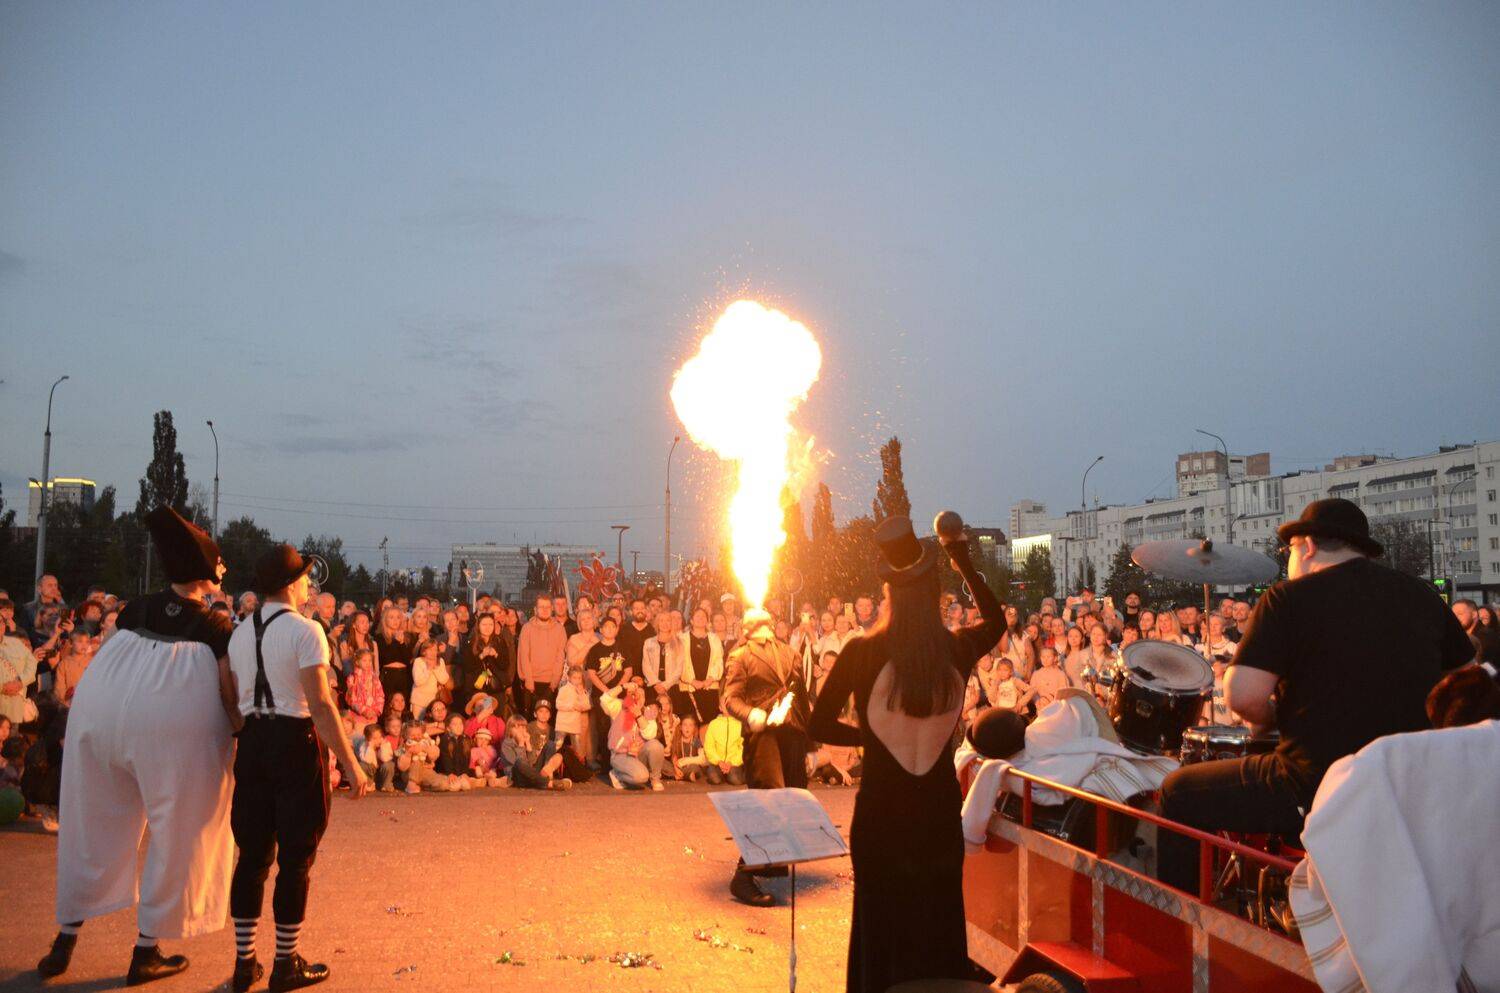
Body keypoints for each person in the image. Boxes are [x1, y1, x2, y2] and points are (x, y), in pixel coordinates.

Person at [1157, 499, 1474, 893]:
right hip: (1410, 784)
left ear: (1306, 546)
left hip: (1316, 785)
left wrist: (1270, 717)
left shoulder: (1287, 598)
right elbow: (1467, 679)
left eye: (1288, 551)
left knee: (1178, 792)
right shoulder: (1421, 595)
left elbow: (1241, 696)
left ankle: (1178, 923)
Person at [40, 508, 243, 986]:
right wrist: (242, 731)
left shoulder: (135, 609)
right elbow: (227, 691)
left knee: (92, 821)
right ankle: (146, 951)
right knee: (183, 829)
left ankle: (64, 941)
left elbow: (112, 655)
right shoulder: (215, 626)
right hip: (170, 731)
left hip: (102, 716)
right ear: (205, 573)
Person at [809, 514, 1004, 993]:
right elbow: (997, 621)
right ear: (931, 592)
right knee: (938, 932)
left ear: (890, 593)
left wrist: (870, 738)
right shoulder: (957, 649)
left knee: (880, 934)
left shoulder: (860, 652)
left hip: (881, 820)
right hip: (938, 818)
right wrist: (959, 555)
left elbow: (817, 724)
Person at [227, 544, 369, 992]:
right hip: (294, 742)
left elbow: (232, 697)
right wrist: (351, 764)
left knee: (252, 857)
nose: (309, 583)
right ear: (291, 585)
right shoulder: (307, 631)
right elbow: (321, 704)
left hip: (253, 741)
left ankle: (244, 963)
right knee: (295, 858)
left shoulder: (238, 633)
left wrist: (246, 735)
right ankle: (285, 963)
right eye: (305, 577)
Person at [721, 604, 813, 907]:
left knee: (792, 799)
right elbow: (730, 698)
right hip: (763, 738)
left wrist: (810, 745)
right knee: (770, 800)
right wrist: (750, 714)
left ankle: (770, 863)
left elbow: (800, 696)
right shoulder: (740, 656)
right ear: (744, 628)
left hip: (792, 734)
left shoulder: (790, 652)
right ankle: (744, 876)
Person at [517, 595, 566, 714]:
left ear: (552, 609)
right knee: (530, 719)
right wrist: (529, 681)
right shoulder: (527, 628)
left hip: (551, 684)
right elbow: (524, 656)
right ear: (535, 609)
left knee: (549, 721)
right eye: (541, 607)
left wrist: (554, 683)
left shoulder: (559, 629)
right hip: (531, 683)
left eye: (547, 607)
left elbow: (560, 658)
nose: (544, 610)